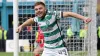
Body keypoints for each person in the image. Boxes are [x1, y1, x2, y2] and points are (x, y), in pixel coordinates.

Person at [16, 2, 91, 56]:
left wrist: (84, 18)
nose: (38, 10)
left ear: (45, 8)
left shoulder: (53, 14)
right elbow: (31, 20)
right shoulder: (37, 18)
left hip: (60, 48)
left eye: (40, 8)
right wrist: (21, 26)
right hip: (47, 49)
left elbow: (69, 14)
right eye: (36, 9)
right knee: (36, 51)